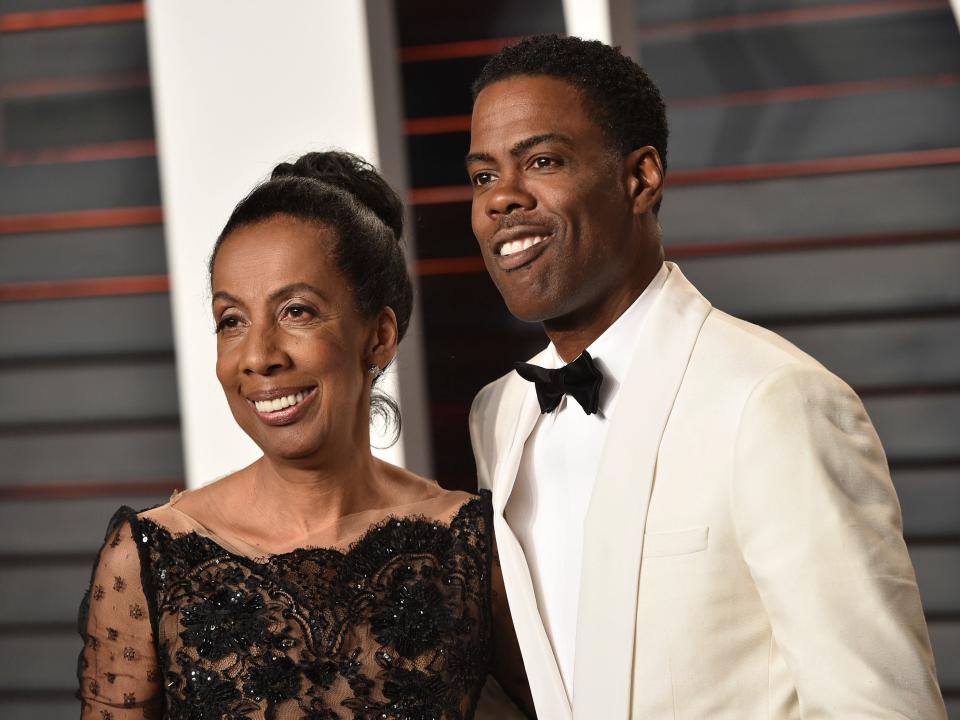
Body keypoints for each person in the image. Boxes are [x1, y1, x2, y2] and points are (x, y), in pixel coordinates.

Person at [466, 35, 947, 719]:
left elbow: (880, 707)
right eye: (483, 176)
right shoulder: (500, 414)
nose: (501, 200)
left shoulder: (774, 399)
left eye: (542, 161)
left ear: (642, 178)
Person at [77, 151, 533, 719]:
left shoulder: (471, 545)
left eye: (296, 311)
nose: (259, 357)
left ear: (379, 337)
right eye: (231, 321)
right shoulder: (150, 557)